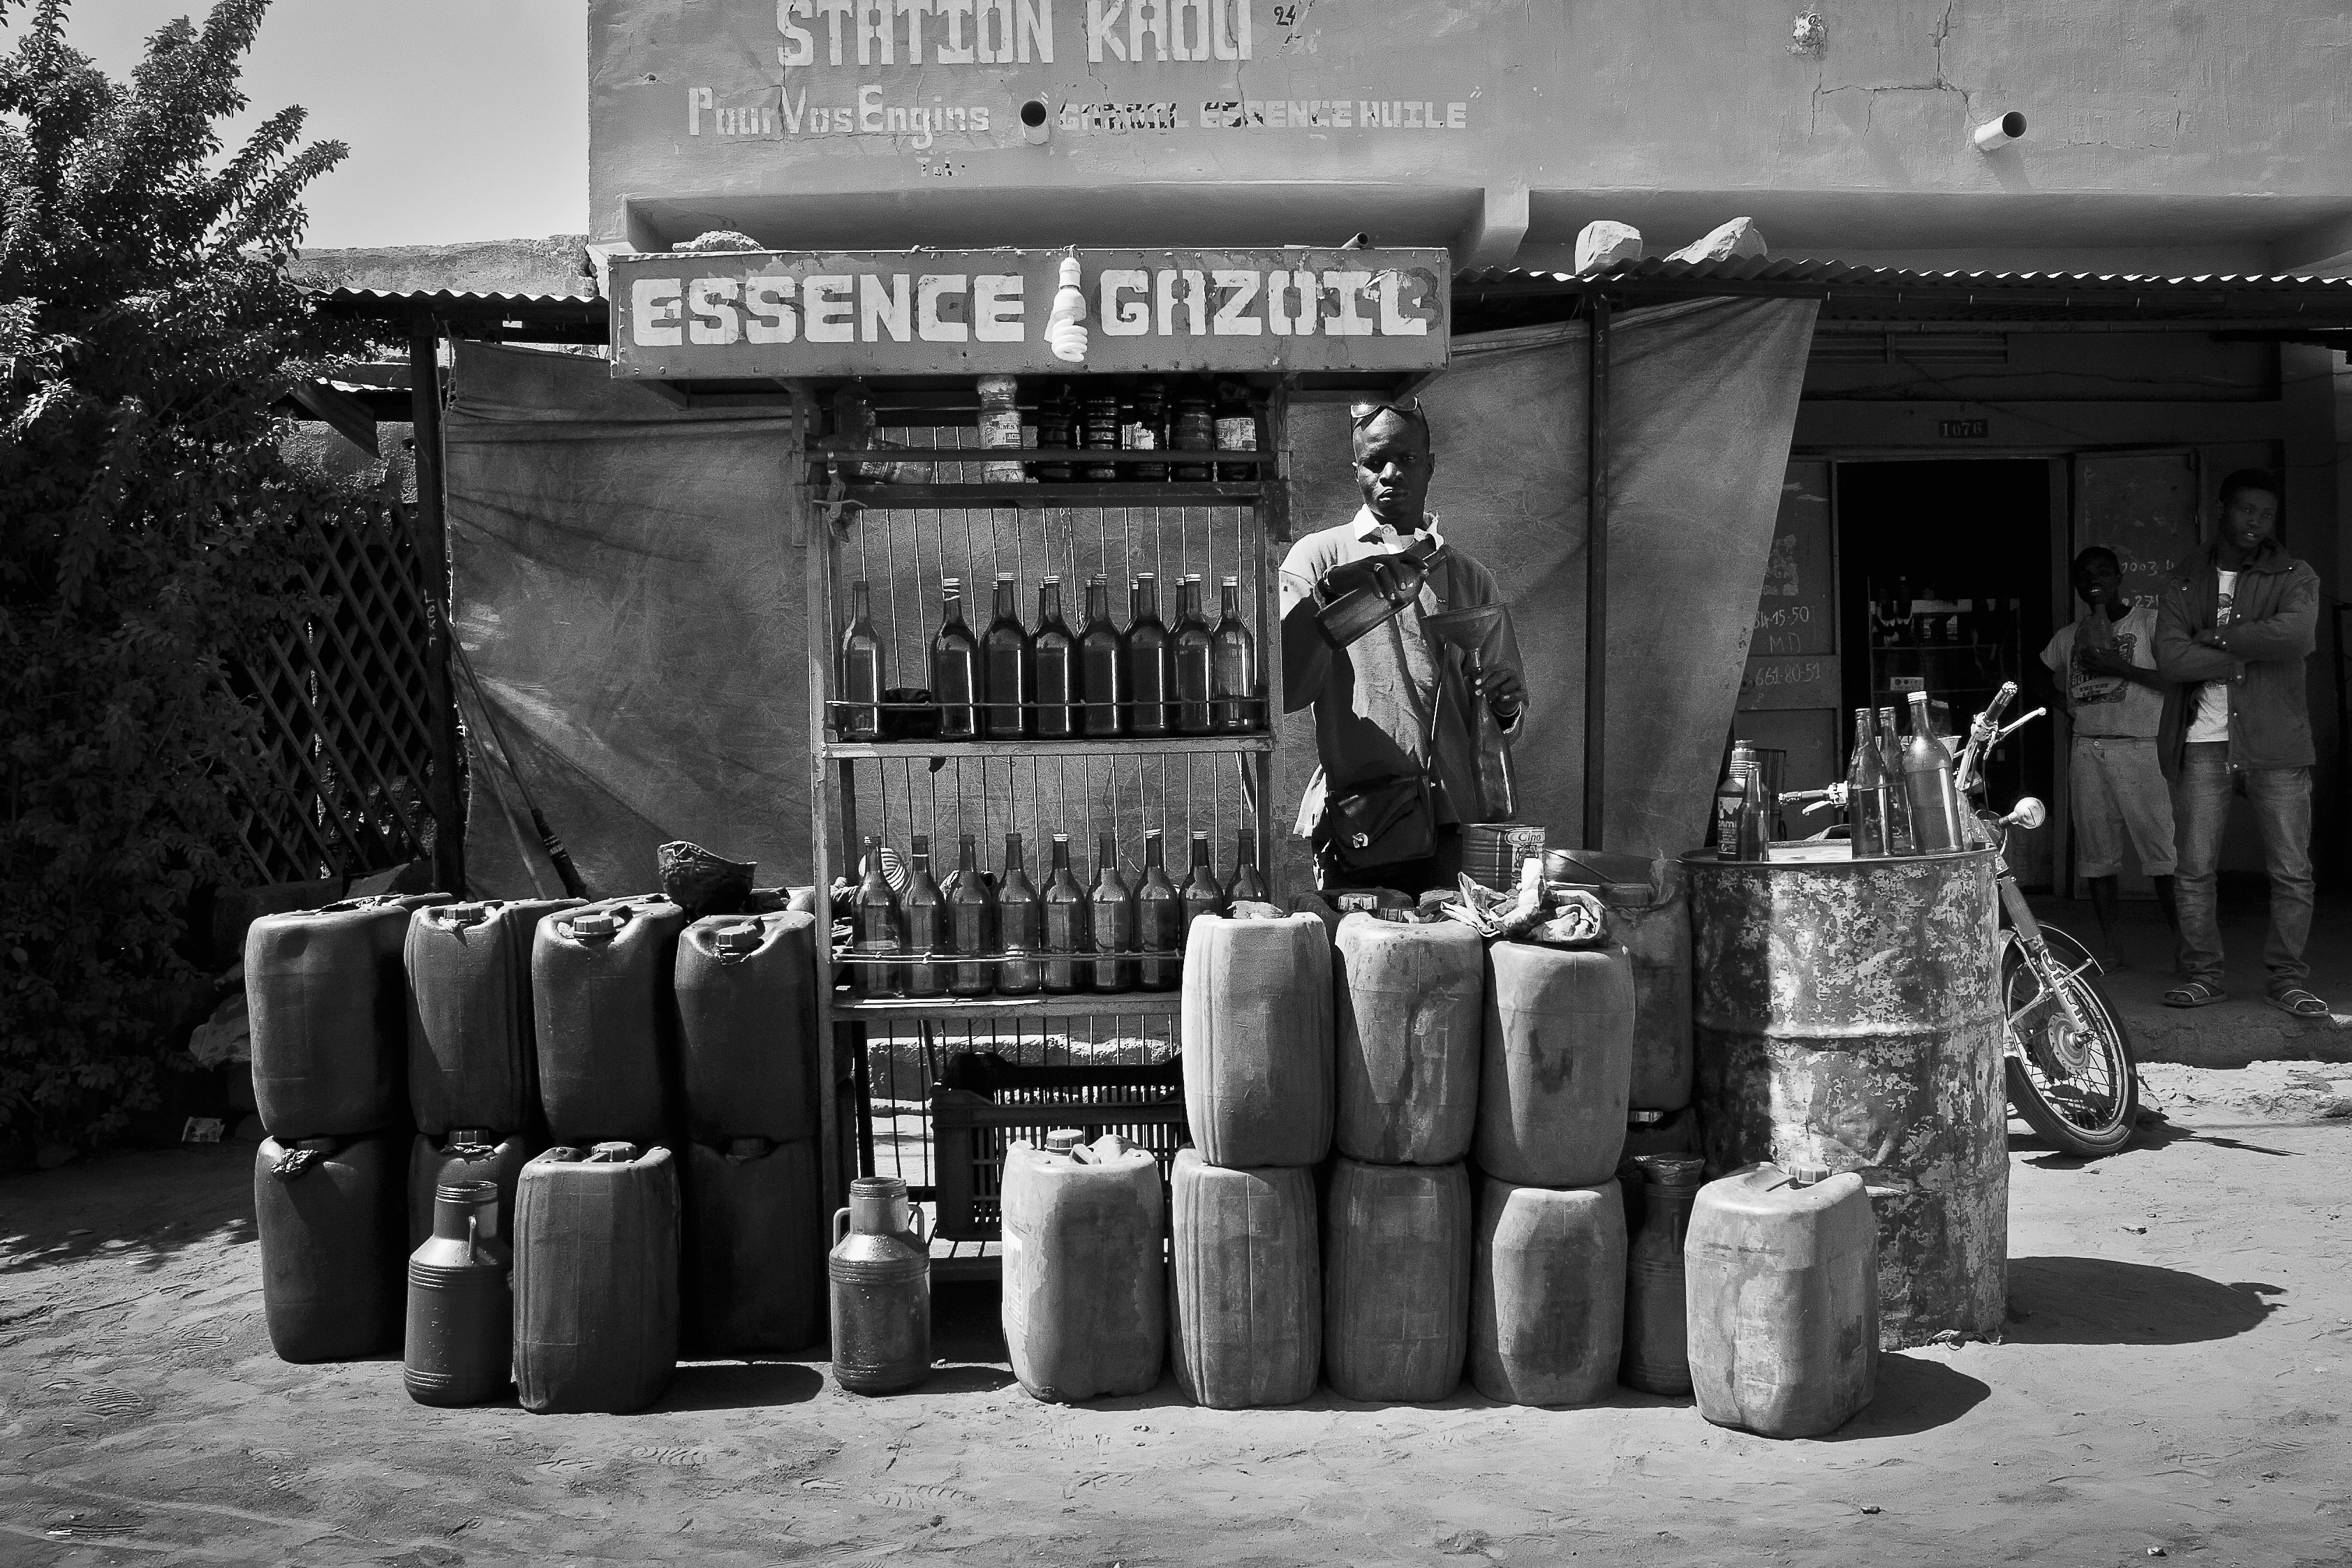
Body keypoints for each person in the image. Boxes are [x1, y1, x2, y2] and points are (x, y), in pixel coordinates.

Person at [1278, 397, 1527, 896]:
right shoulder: (1319, 558)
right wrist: (1327, 595)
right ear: (1355, 470)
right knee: (1366, 944)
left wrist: (1504, 707)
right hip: (1364, 819)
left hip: (1455, 821)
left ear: (1429, 465)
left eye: (1407, 459)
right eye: (1374, 462)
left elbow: (1504, 714)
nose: (1390, 473)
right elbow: (1287, 689)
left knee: (1452, 941)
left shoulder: (1470, 578)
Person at [2152, 468, 2326, 1016]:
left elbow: (2296, 635)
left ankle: (2287, 979)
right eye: (2246, 510)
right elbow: (2171, 659)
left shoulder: (2294, 574)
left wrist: (2215, 637)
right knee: (2193, 869)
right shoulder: (2184, 580)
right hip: (2202, 741)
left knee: (2291, 870)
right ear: (2221, 509)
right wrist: (2248, 651)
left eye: (2266, 513)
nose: (2256, 522)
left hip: (2276, 741)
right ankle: (2203, 975)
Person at [2034, 546, 2178, 967]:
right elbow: (2038, 675)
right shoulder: (2069, 636)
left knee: (2162, 852)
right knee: (2097, 855)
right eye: (2084, 574)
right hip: (2088, 747)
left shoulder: (2149, 623)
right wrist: (2066, 706)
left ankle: (2187, 947)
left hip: (2141, 746)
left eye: (2101, 571)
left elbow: (2176, 680)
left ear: (2118, 577)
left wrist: (2120, 667)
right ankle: (2111, 948)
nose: (2093, 580)